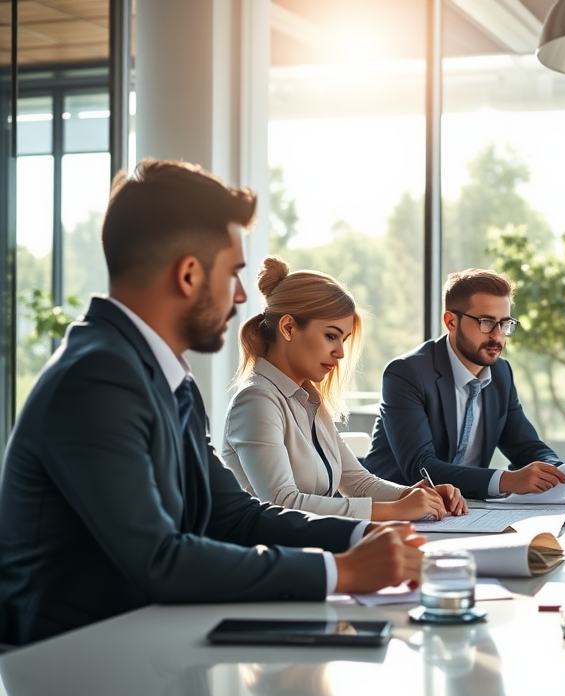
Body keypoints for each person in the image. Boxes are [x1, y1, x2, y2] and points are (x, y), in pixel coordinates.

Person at [0, 159, 424, 647]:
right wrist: (340, 573)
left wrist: (359, 539)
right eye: (234, 274)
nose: (242, 295)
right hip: (83, 666)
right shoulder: (97, 378)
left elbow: (235, 516)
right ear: (188, 274)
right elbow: (160, 559)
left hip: (151, 648)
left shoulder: (162, 376)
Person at [223, 256, 467, 522]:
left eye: (344, 339)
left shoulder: (309, 401)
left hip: (313, 545)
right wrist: (396, 510)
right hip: (271, 555)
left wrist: (414, 495)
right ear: (288, 327)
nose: (340, 353)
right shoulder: (256, 400)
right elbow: (282, 502)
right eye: (331, 336)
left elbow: (358, 482)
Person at [361, 268, 565, 501]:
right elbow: (420, 466)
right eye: (485, 322)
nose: (497, 335)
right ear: (451, 321)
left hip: (467, 509)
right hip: (394, 509)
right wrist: (507, 480)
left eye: (504, 323)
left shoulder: (501, 372)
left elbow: (525, 446)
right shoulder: (407, 373)